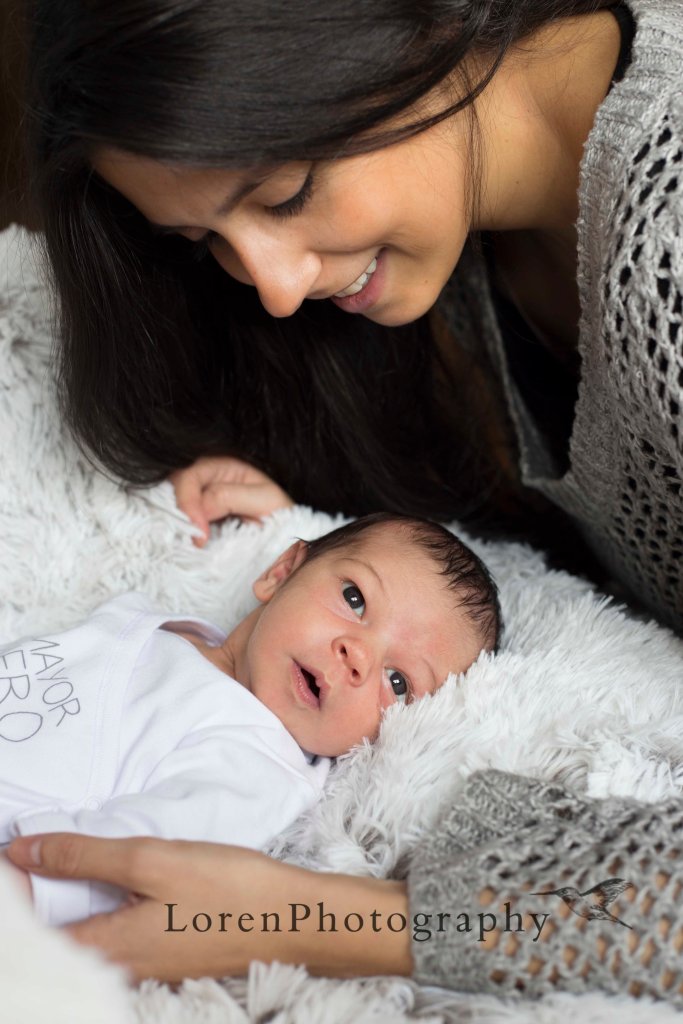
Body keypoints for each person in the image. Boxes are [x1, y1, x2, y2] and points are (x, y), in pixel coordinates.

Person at [14, 0, 683, 1004]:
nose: (272, 287)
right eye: (207, 237)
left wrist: (318, 919)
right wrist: (311, 537)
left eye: (284, 193)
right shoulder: (451, 258)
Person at [0, 512, 499, 925]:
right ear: (282, 573)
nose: (357, 656)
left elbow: (133, 856)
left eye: (398, 682)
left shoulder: (259, 768)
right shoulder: (156, 629)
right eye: (354, 599)